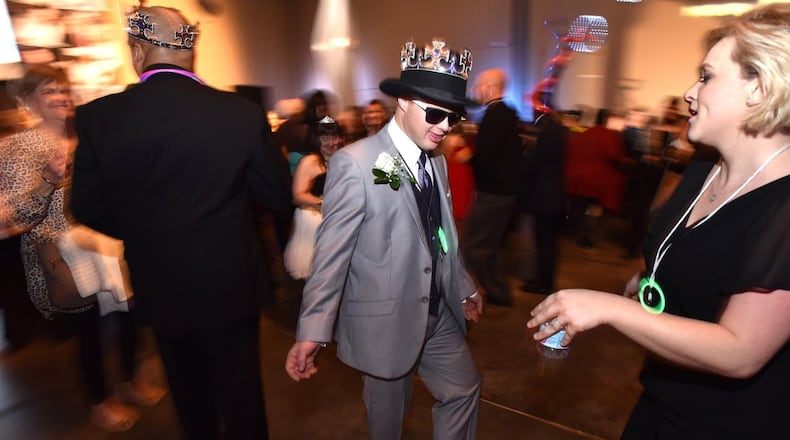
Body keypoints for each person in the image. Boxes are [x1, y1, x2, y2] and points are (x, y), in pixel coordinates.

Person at [528, 4, 790, 437]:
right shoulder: (702, 171)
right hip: (660, 401)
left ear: (758, 90)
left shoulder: (782, 207)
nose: (690, 92)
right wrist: (649, 279)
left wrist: (610, 308)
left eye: (706, 77)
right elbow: (683, 255)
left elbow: (741, 352)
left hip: (730, 424)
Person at [70, 6, 289, 439]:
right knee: (242, 398)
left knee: (189, 398)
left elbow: (87, 205)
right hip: (230, 280)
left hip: (160, 280)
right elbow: (276, 195)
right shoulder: (240, 113)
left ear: (137, 51)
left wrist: (146, 231)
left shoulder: (98, 118)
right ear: (191, 50)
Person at [285, 39, 484, 440]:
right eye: (436, 113)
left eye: (454, 117)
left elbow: (440, 233)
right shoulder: (354, 164)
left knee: (464, 388)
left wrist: (462, 284)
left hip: (437, 314)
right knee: (388, 425)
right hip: (385, 322)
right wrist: (312, 329)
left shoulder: (438, 163)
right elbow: (330, 257)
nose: (445, 127)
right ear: (404, 102)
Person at [0, 65, 164, 432]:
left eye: (63, 89)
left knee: (128, 317)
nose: (61, 97)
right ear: (28, 101)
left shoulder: (86, 136)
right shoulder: (19, 147)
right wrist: (48, 179)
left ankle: (130, 380)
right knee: (89, 331)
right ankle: (99, 402)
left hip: (106, 243)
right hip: (64, 252)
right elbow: (19, 215)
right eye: (48, 91)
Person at [463, 68, 524, 307]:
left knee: (474, 246)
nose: (475, 90)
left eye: (478, 85)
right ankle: (498, 292)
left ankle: (469, 294)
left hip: (493, 193)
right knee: (489, 245)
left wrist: (466, 157)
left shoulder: (494, 115)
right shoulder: (507, 113)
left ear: (489, 88)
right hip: (503, 192)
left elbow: (485, 155)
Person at [283, 116, 343, 280]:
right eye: (325, 138)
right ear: (317, 139)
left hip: (338, 219)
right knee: (317, 274)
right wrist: (324, 203)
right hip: (315, 220)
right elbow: (297, 196)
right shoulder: (310, 162)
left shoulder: (344, 157)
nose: (331, 143)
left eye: (334, 137)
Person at [520, 110, 568, 294]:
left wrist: (527, 152)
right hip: (554, 198)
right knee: (548, 244)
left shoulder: (546, 141)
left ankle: (543, 284)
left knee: (544, 244)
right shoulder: (559, 139)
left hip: (544, 200)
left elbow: (532, 166)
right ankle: (543, 280)